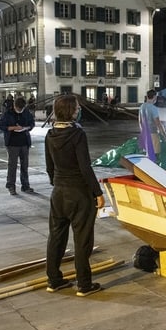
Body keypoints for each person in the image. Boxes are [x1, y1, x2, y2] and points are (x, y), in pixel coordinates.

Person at [45, 95, 105, 297]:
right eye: (77, 108)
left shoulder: (50, 134)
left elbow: (49, 167)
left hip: (59, 192)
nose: (79, 110)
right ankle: (84, 284)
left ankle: (54, 280)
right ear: (71, 111)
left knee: (56, 237)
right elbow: (85, 167)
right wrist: (97, 193)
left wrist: (58, 184)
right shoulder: (78, 135)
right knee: (82, 239)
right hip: (79, 191)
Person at [0, 96, 35, 195]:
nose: (20, 110)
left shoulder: (26, 112)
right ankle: (11, 186)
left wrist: (26, 127)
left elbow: (32, 123)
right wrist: (13, 127)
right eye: (18, 109)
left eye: (21, 109)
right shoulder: (7, 114)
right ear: (14, 106)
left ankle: (25, 186)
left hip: (24, 142)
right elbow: (1, 125)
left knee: (24, 165)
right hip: (12, 143)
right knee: (12, 165)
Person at [139, 89, 166, 161]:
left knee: (147, 154)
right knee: (155, 155)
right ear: (154, 97)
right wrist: (163, 133)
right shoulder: (153, 108)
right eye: (156, 97)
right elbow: (157, 122)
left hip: (145, 133)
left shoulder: (142, 106)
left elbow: (140, 121)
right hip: (153, 134)